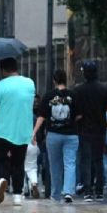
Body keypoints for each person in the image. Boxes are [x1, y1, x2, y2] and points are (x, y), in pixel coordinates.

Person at [0, 57, 36, 206]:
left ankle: (1, 180)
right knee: (18, 163)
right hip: (23, 131)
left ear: (3, 70)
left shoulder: (0, 85)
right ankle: (17, 196)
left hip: (3, 131)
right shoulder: (30, 83)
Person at [73, 60, 107, 202]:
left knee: (85, 160)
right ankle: (99, 191)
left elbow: (76, 112)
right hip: (100, 129)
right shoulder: (104, 90)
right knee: (98, 160)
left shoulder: (78, 90)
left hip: (84, 129)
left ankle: (88, 190)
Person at [32, 69, 78, 203]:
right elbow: (79, 115)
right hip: (71, 134)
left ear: (54, 80)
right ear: (66, 79)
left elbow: (41, 116)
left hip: (53, 134)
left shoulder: (48, 96)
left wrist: (34, 132)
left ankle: (56, 193)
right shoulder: (73, 95)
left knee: (55, 164)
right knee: (70, 163)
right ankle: (68, 191)